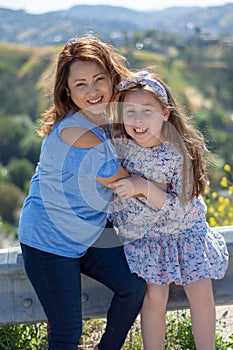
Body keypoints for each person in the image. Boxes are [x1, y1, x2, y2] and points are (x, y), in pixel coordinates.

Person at [18, 36, 146, 350]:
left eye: (99, 79)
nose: (92, 91)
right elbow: (126, 184)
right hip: (49, 240)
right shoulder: (78, 133)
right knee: (67, 335)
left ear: (112, 78)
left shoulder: (109, 121)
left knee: (133, 287)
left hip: (89, 231)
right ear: (67, 91)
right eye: (81, 84)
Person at [108, 70, 229, 350]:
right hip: (148, 238)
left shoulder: (178, 152)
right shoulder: (120, 149)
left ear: (165, 114)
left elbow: (181, 210)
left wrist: (142, 186)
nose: (138, 120)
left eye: (147, 111)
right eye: (130, 111)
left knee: (200, 291)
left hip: (186, 232)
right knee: (153, 296)